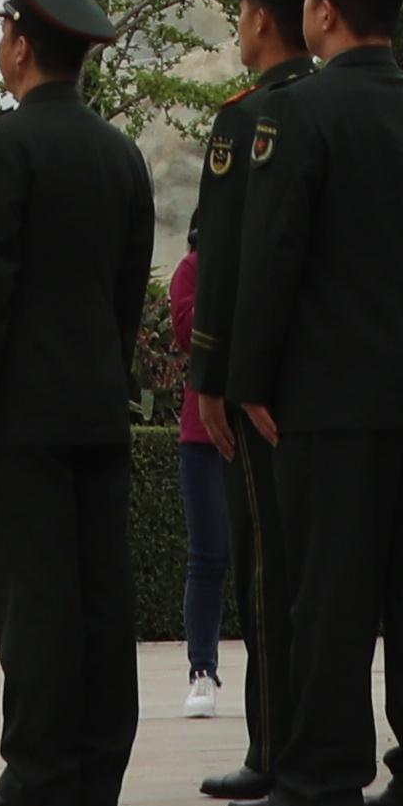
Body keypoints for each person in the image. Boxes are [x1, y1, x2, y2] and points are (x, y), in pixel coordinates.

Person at [223, 0, 403, 806]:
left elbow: (273, 257)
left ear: (323, 10)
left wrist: (249, 377)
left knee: (327, 590)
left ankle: (323, 779)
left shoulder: (299, 115)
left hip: (327, 394)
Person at [0, 0, 156, 806]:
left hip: (23, 417)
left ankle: (38, 769)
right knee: (100, 593)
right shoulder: (120, 156)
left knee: (34, 595)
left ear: (23, 48)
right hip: (96, 407)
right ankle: (98, 768)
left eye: (4, 29)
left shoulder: (0, 151)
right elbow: (124, 293)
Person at [188, 0, 320, 802]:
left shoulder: (248, 118)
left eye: (241, 11)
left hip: (264, 383)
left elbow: (223, 262)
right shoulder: (323, 103)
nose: (239, 25)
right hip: (324, 381)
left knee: (267, 572)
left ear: (261, 20)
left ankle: (275, 748)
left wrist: (213, 377)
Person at [167, 242, 236, 722]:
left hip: (263, 425)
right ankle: (202, 670)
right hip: (203, 433)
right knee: (208, 557)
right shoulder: (193, 269)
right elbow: (188, 332)